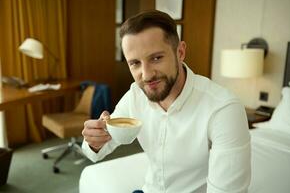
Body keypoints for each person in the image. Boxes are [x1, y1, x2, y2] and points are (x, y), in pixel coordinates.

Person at [81, 10, 251, 193]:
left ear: (180, 52)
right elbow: (94, 151)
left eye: (156, 58)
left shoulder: (223, 109)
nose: (146, 75)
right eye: (135, 63)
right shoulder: (135, 95)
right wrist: (94, 141)